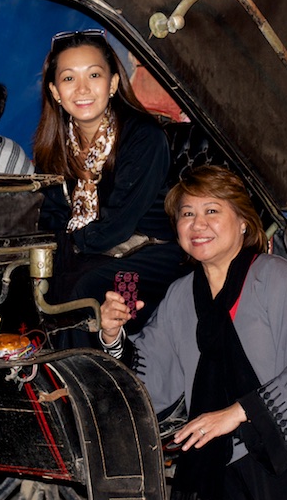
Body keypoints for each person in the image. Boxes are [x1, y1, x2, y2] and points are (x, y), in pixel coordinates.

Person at [99, 165, 287, 500]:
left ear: (243, 222)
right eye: (187, 213)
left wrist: (239, 412)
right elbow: (152, 379)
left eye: (212, 211)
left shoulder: (278, 278)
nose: (198, 224)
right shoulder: (181, 296)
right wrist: (114, 337)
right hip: (227, 464)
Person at [34, 29, 185, 347]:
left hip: (151, 256)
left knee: (84, 292)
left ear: (113, 83)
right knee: (35, 285)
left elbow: (117, 225)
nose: (82, 89)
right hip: (90, 252)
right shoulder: (54, 147)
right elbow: (52, 217)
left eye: (94, 75)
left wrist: (69, 246)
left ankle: (87, 377)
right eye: (69, 78)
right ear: (55, 91)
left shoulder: (143, 137)